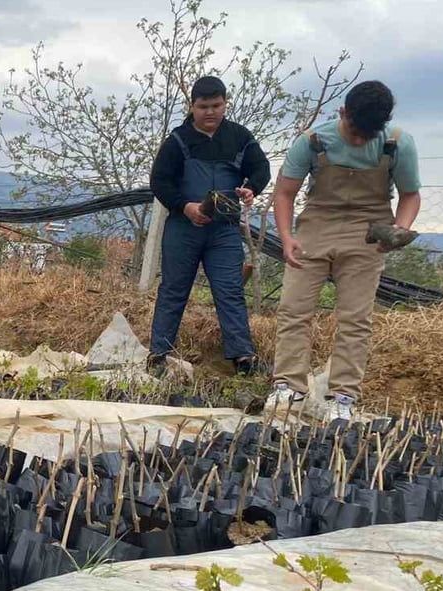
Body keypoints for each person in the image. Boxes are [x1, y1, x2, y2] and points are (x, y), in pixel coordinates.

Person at [267, 80, 421, 421]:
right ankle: (288, 387)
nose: (358, 140)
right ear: (343, 112)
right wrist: (286, 236)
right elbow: (285, 192)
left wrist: (400, 229)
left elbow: (410, 195)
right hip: (315, 227)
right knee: (294, 308)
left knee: (355, 317)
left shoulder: (398, 145)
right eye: (354, 130)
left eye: (367, 134)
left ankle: (343, 396)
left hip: (367, 232)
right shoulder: (313, 141)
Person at [148, 76, 271, 376]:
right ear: (192, 106)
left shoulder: (240, 137)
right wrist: (184, 206)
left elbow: (261, 168)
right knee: (173, 289)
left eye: (216, 105)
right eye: (203, 107)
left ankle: (242, 357)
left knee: (229, 290)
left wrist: (250, 187)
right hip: (183, 227)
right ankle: (158, 354)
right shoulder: (178, 139)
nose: (210, 112)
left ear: (225, 103)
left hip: (224, 229)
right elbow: (159, 181)